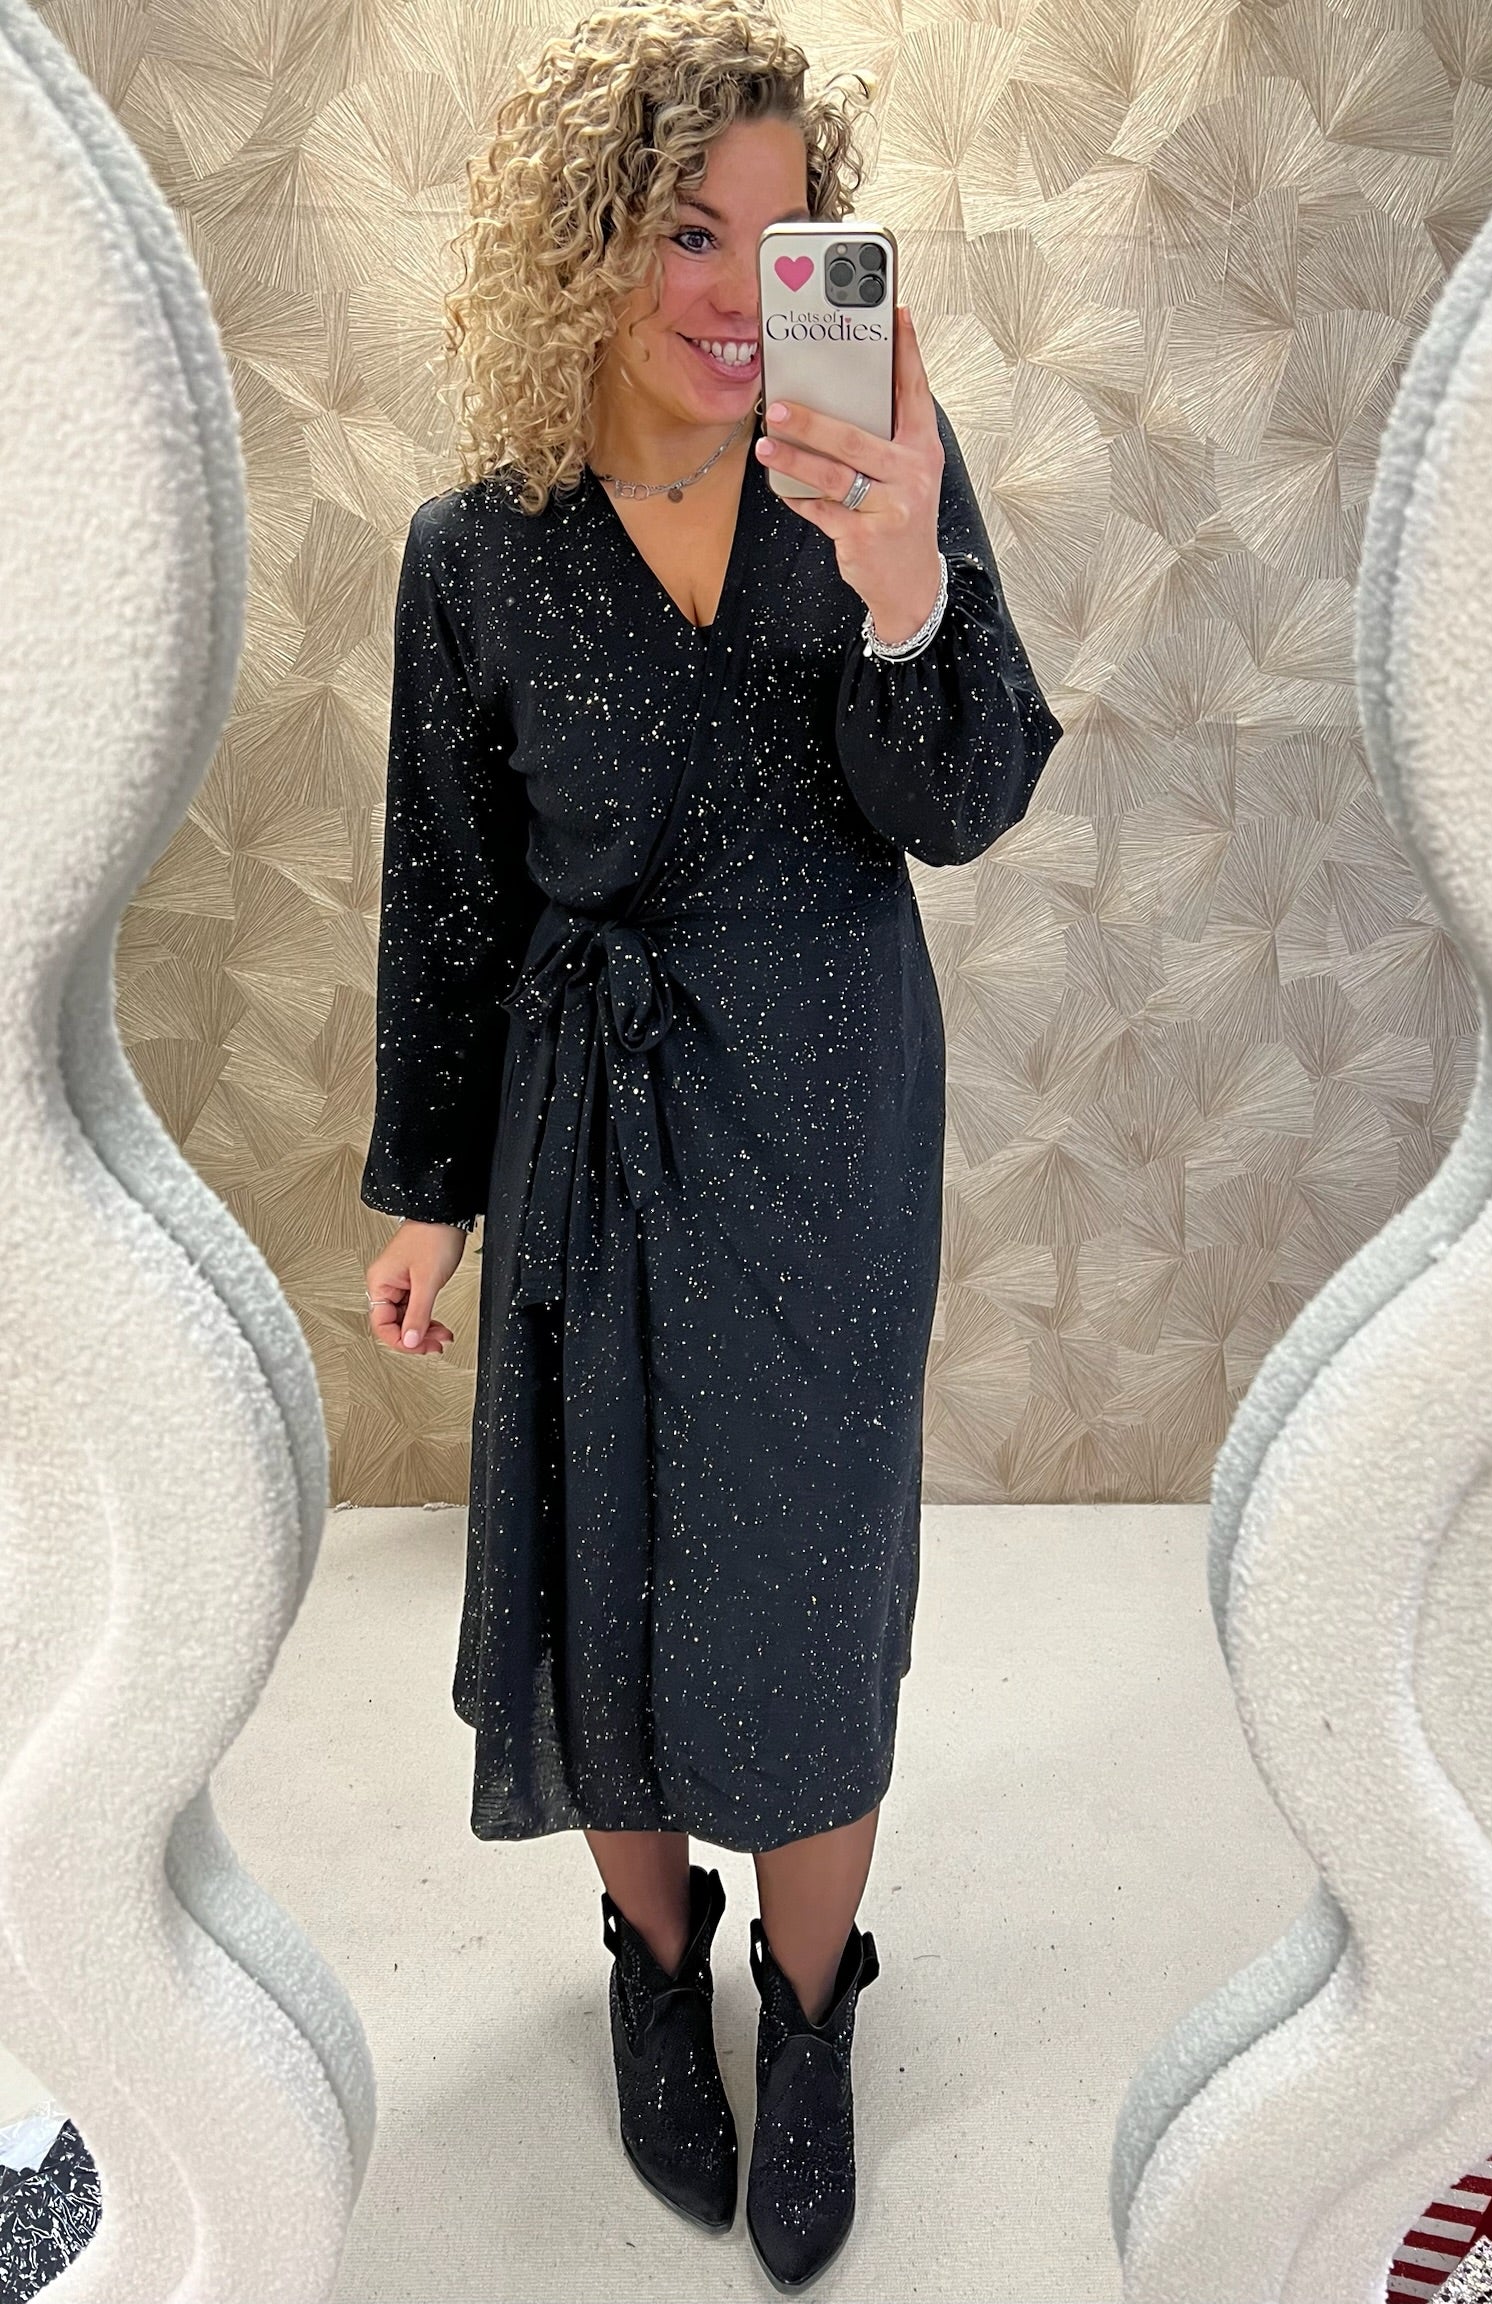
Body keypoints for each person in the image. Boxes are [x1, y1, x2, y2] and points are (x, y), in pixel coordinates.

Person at [359, 0, 1062, 2286]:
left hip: (830, 1107)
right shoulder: (478, 549)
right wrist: (427, 1190)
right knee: (603, 1558)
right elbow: (449, 891)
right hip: (583, 1126)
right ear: (588, 243)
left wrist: (904, 585)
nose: (739, 291)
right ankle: (654, 1972)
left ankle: (813, 2002)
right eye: (687, 229)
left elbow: (959, 801)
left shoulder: (873, 477)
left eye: (783, 242)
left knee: (807, 1581)